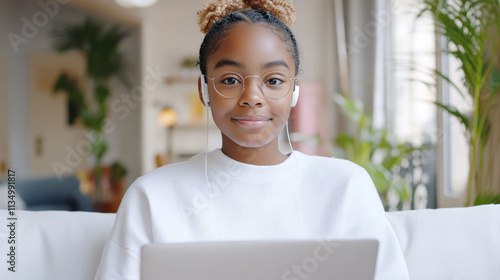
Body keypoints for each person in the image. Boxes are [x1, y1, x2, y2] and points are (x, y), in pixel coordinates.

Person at [94, 0, 410, 279]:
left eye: (274, 80)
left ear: (294, 91)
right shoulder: (152, 196)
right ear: (204, 90)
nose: (252, 98)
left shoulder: (346, 186)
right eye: (230, 80)